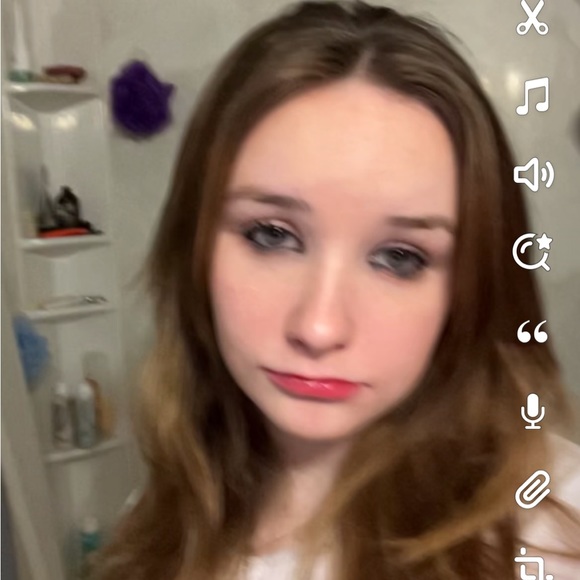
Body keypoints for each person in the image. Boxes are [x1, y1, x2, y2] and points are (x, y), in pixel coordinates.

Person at [93, 1, 580, 579]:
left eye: (400, 257)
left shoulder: (549, 531)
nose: (319, 327)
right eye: (272, 235)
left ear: (471, 288)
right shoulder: (158, 514)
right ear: (192, 247)